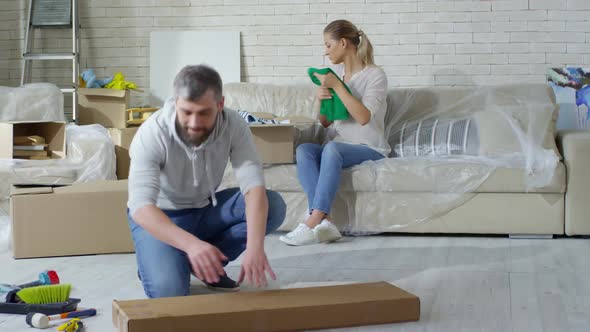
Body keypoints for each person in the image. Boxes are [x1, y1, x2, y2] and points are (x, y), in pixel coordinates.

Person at [127, 64, 286, 298]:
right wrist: (192, 245)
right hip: (161, 217)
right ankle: (163, 260)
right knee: (169, 292)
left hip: (204, 210)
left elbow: (253, 187)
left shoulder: (234, 125)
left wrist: (255, 247)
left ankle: (199, 264)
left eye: (203, 113)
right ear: (176, 102)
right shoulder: (152, 132)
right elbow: (141, 208)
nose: (193, 123)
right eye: (186, 112)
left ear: (220, 105)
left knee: (273, 205)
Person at [280, 20, 391, 246]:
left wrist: (338, 87)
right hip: (338, 146)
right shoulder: (336, 74)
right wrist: (322, 101)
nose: (325, 51)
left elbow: (363, 117)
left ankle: (310, 224)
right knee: (304, 150)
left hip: (369, 147)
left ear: (343, 43)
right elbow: (325, 123)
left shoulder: (375, 76)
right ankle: (326, 220)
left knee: (330, 149)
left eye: (328, 45)